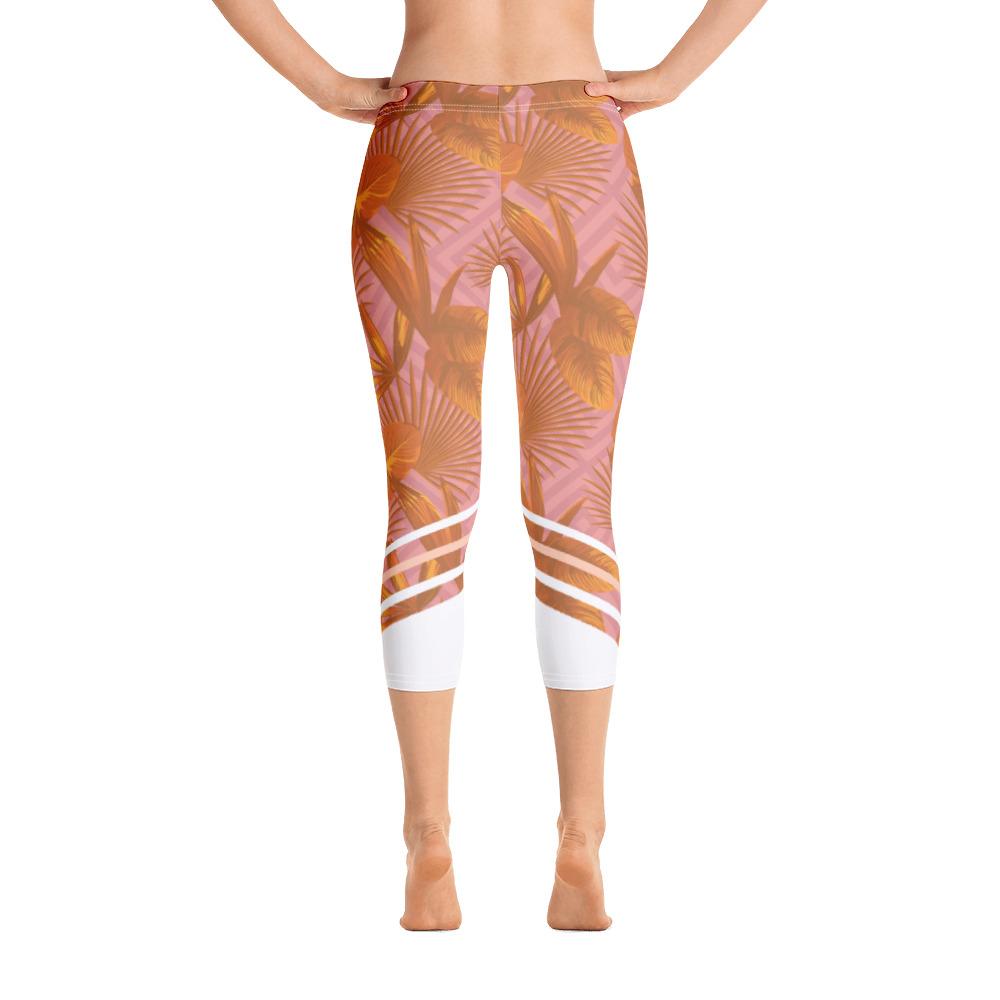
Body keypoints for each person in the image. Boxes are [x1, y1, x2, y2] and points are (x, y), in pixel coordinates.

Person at [212, 0, 768, 931]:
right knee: (575, 501)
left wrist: (328, 86)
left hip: (426, 141)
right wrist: (673, 75)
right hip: (579, 143)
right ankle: (581, 836)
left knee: (425, 501)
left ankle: (427, 836)